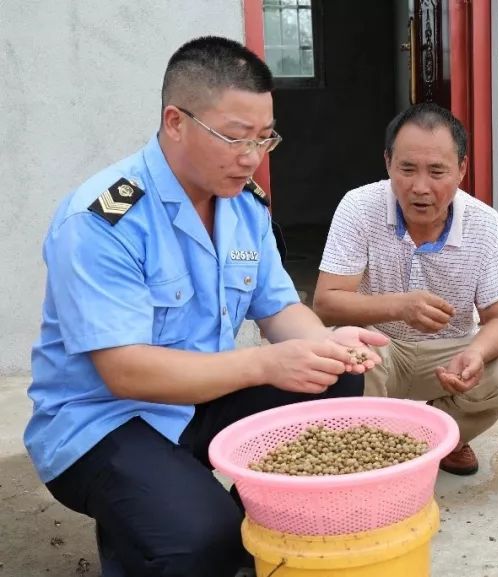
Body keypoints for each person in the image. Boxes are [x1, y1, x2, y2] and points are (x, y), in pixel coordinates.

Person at [23, 37, 388, 577]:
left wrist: (328, 345)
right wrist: (265, 363)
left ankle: (192, 515)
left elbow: (280, 306)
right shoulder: (103, 219)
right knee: (202, 539)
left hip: (200, 397)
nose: (251, 158)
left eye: (265, 139)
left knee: (332, 380)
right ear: (176, 122)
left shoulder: (245, 205)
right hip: (103, 420)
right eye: (234, 138)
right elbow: (124, 371)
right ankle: (164, 526)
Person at [313, 103, 498, 476]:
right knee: (346, 361)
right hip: (382, 348)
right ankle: (375, 449)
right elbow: (325, 303)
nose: (420, 187)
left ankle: (444, 437)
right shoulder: (359, 207)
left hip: (449, 354)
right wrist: (399, 307)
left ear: (462, 169)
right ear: (388, 163)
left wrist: (476, 353)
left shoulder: (485, 225)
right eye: (407, 169)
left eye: (437, 172)